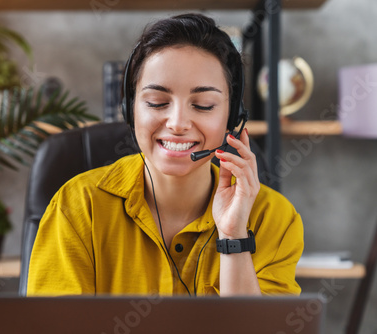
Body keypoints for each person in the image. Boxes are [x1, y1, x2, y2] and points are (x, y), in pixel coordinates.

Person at [27, 13, 303, 297]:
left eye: (204, 105)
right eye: (157, 102)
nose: (178, 123)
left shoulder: (274, 219)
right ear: (130, 108)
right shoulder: (76, 208)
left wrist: (234, 239)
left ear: (232, 117)